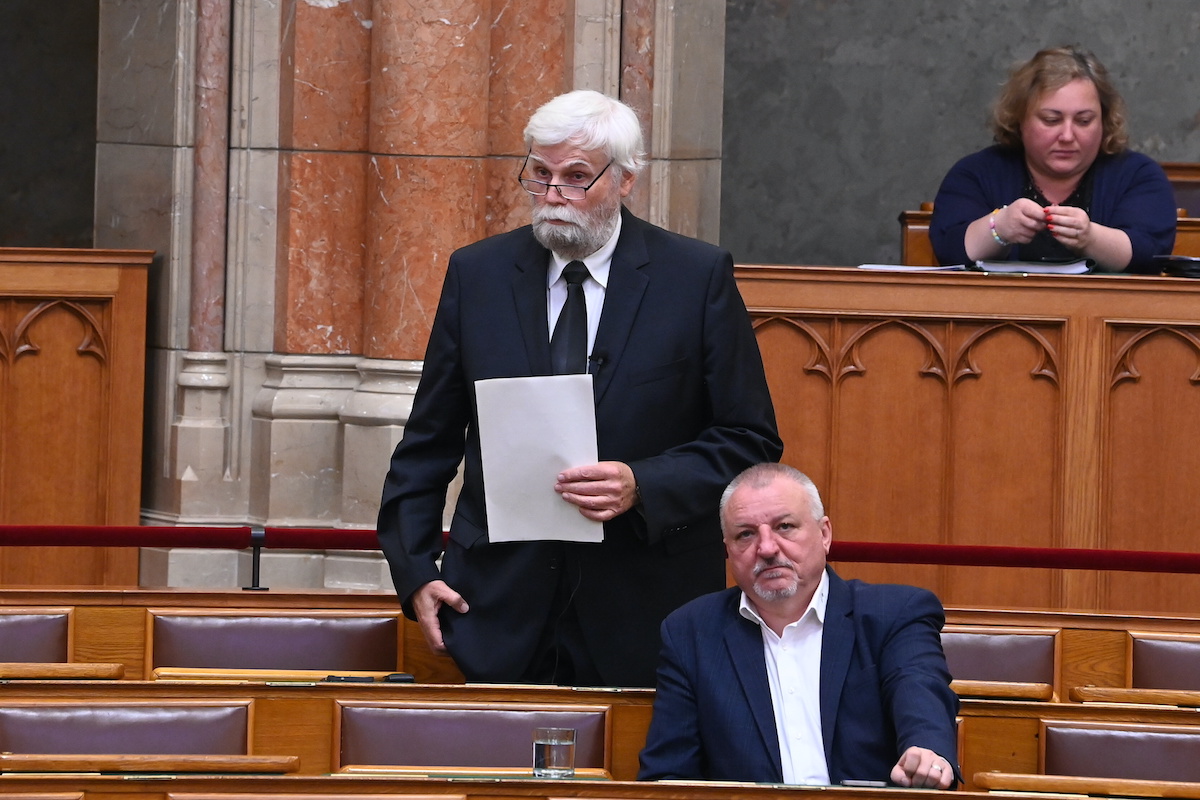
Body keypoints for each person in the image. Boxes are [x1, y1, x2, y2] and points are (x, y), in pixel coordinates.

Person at [375, 90, 782, 688]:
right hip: (497, 607)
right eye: (540, 175)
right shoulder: (478, 274)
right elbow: (427, 442)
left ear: (625, 180)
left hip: (643, 606)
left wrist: (643, 483)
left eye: (575, 177)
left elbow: (749, 440)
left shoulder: (694, 279)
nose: (553, 195)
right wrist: (414, 571)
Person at [638, 463, 960, 788]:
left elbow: (920, 692)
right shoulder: (691, 632)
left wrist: (927, 752)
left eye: (785, 526)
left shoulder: (893, 613)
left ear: (824, 534)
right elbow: (668, 774)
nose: (766, 548)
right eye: (745, 534)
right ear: (728, 549)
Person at [930, 45, 1176, 273]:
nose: (1067, 136)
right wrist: (999, 228)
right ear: (1019, 119)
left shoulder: (1138, 175)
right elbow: (949, 252)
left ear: (1104, 121)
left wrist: (1090, 238)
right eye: (1051, 120)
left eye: (1083, 121)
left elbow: (1149, 255)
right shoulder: (976, 173)